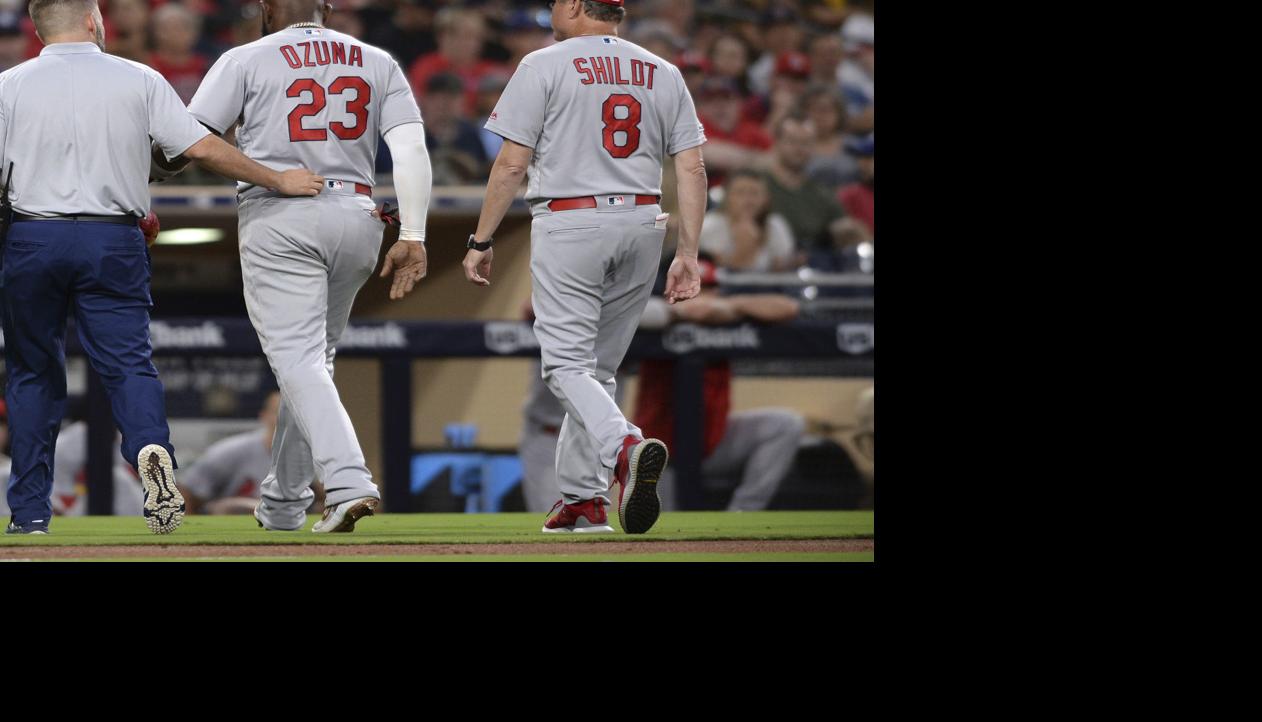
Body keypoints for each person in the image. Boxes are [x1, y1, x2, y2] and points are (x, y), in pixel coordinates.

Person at [0, 0, 324, 536]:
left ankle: (31, 512)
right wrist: (277, 178)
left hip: (34, 237)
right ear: (91, 20)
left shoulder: (9, 85)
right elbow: (199, 147)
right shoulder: (138, 76)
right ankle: (151, 448)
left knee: (34, 374)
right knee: (128, 366)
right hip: (113, 237)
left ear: (37, 27)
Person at [180, 0, 433, 533]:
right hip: (360, 214)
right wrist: (413, 232)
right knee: (314, 362)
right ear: (327, 7)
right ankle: (284, 502)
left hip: (283, 211)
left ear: (269, 8)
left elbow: (194, 141)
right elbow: (410, 148)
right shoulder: (375, 58)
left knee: (298, 360)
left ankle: (348, 482)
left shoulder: (245, 57)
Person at [464, 0, 706, 535]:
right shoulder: (662, 69)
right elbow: (690, 165)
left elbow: (511, 164)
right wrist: (687, 252)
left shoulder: (543, 62)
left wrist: (480, 238)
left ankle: (624, 446)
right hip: (644, 221)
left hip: (572, 220)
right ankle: (584, 500)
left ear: (575, 5)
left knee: (565, 366)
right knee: (596, 372)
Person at [633, 256, 805, 511]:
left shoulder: (730, 312)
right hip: (659, 453)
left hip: (714, 440)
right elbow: (690, 310)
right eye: (688, 288)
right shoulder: (653, 313)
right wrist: (691, 310)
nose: (700, 295)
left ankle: (741, 516)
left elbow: (789, 307)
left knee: (785, 424)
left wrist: (732, 305)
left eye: (707, 287)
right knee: (658, 527)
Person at [177, 391, 313, 515]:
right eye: (281, 412)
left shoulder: (308, 455)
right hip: (228, 525)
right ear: (264, 416)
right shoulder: (231, 451)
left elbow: (323, 496)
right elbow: (186, 492)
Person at [763, 113, 847, 253]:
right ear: (777, 142)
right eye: (792, 141)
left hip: (812, 265)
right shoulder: (757, 185)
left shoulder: (822, 193)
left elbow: (844, 229)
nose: (799, 149)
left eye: (806, 142)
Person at [700, 168, 797, 272]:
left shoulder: (775, 225)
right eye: (740, 193)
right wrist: (745, 246)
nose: (748, 200)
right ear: (727, 197)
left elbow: (782, 270)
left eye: (754, 193)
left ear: (766, 198)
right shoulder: (710, 225)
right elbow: (724, 271)